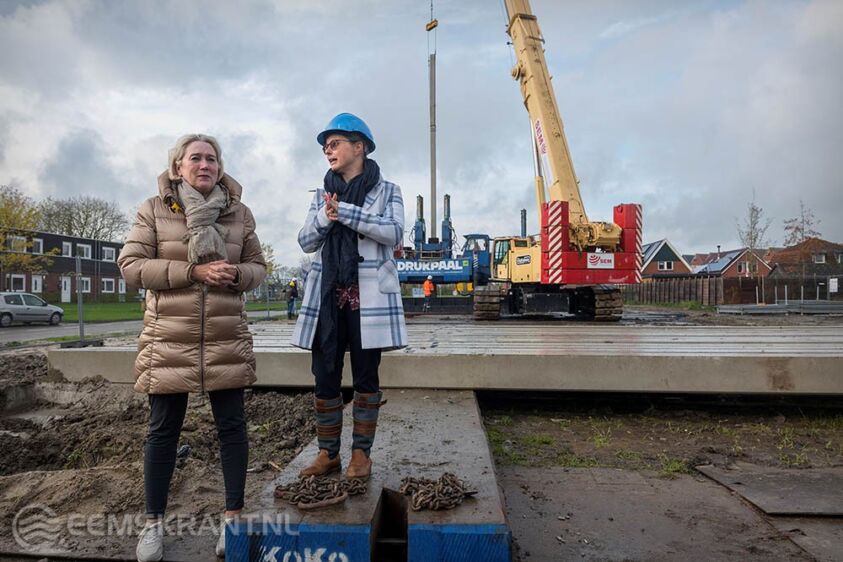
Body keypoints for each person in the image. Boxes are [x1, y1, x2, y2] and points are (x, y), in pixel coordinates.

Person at [118, 134, 266, 562]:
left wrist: (236, 275)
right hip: (169, 338)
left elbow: (258, 266)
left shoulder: (240, 213)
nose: (205, 165)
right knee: (162, 432)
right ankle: (152, 526)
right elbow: (130, 267)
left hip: (224, 335)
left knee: (233, 429)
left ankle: (233, 518)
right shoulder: (154, 209)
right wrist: (193, 271)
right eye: (195, 158)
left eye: (212, 158)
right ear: (178, 166)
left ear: (220, 167)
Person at [292, 112, 407, 481]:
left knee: (366, 376)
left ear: (360, 147)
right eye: (326, 146)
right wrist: (327, 216)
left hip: (368, 299)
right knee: (324, 375)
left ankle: (361, 455)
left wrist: (346, 212)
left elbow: (392, 232)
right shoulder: (322, 193)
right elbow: (307, 240)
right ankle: (328, 454)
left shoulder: (389, 190)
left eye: (335, 143)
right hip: (328, 298)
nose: (328, 150)